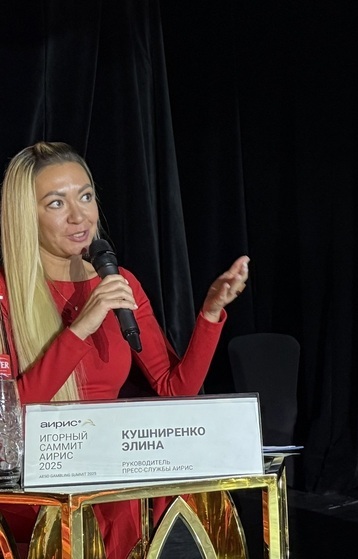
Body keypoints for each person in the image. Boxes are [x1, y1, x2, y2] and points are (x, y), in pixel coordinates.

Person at [0, 141, 249, 558]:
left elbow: (174, 391)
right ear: (27, 215)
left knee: (181, 497)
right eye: (56, 203)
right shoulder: (6, 297)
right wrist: (80, 328)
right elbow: (12, 421)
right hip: (40, 488)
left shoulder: (119, 283)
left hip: (112, 476)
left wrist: (209, 315)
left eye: (85, 196)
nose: (79, 216)